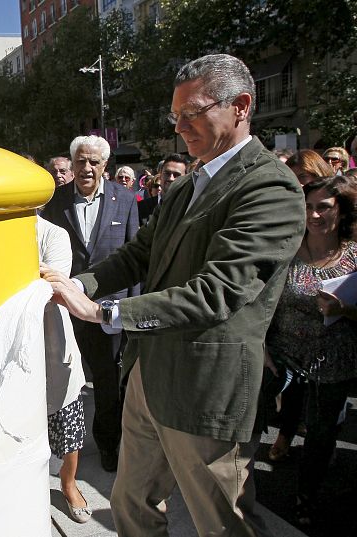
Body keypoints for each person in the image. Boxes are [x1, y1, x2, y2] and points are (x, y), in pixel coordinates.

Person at [42, 53, 305, 536]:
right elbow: (138, 255)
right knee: (131, 503)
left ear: (241, 106)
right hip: (148, 378)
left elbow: (218, 293)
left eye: (193, 113)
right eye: (175, 115)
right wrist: (75, 284)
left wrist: (104, 311)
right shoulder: (185, 187)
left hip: (205, 386)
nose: (180, 127)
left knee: (222, 519)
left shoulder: (269, 186)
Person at [40, 135, 139, 473]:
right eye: (80, 161)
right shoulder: (56, 203)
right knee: (61, 379)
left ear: (104, 166)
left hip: (107, 312)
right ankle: (63, 450)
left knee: (107, 383)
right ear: (72, 163)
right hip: (64, 309)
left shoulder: (124, 200)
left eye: (93, 162)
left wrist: (131, 315)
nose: (86, 168)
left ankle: (109, 445)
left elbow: (135, 258)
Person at [265, 176, 357, 526]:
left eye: (323, 207)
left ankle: (307, 497)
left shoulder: (354, 256)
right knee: (253, 419)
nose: (314, 215)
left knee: (320, 435)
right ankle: (239, 490)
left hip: (332, 360)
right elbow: (262, 302)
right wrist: (261, 346)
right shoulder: (286, 249)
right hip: (282, 355)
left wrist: (344, 310)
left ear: (341, 210)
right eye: (308, 207)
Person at [264, 149, 334, 463]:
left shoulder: (341, 230)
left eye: (305, 182)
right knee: (288, 389)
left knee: (325, 408)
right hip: (285, 328)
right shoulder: (282, 220)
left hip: (330, 334)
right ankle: (285, 433)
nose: (299, 190)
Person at [37, 215, 89, 523]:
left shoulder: (52, 234)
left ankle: (68, 485)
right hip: (5, 347)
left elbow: (51, 283)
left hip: (51, 340)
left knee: (67, 424)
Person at [137, 153, 187, 226]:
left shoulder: (191, 207)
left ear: (186, 178)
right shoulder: (141, 207)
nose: (171, 178)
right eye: (167, 173)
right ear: (160, 176)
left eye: (176, 175)